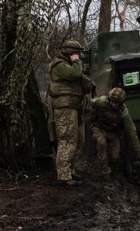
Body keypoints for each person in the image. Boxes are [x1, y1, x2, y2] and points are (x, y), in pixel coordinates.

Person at [47, 39, 92, 185]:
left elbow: (79, 78)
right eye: (77, 53)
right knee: (67, 140)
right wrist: (77, 61)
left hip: (75, 107)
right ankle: (64, 175)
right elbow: (74, 74)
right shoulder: (59, 65)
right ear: (70, 53)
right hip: (65, 109)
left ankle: (71, 171)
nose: (79, 56)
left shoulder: (68, 65)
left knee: (79, 141)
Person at [89, 87, 140, 175]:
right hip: (99, 128)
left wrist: (138, 152)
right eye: (112, 102)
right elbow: (89, 103)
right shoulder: (101, 101)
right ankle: (104, 170)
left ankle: (110, 168)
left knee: (115, 157)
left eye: (117, 103)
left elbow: (131, 132)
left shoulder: (123, 112)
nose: (114, 105)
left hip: (113, 133)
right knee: (101, 142)